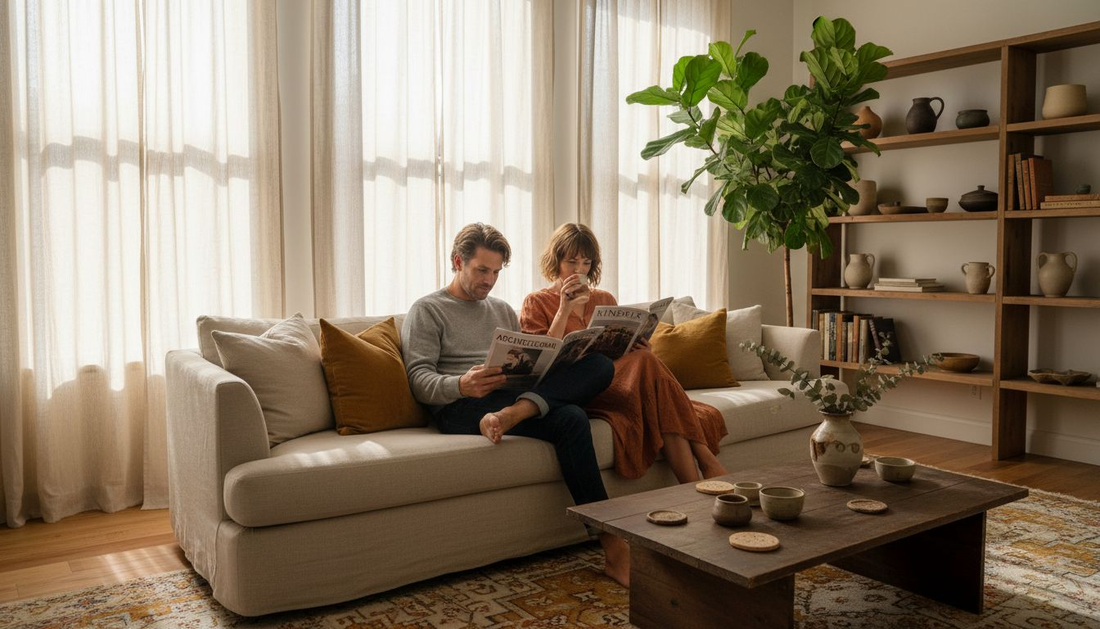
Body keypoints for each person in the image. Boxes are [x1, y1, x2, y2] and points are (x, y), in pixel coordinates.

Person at [401, 222, 630, 587]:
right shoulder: (428, 310)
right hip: (461, 407)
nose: (489, 280)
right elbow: (419, 381)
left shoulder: (502, 310)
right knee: (569, 415)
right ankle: (615, 544)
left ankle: (515, 414)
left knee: (596, 372)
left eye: (496, 272)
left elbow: (536, 361)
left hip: (507, 400)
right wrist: (462, 383)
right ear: (458, 262)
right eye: (481, 270)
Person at [520, 223, 729, 484]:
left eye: (586, 263)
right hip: (577, 388)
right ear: (556, 261)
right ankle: (706, 458)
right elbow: (540, 364)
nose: (578, 270)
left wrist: (640, 345)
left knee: (647, 363)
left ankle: (693, 488)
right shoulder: (536, 301)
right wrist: (564, 308)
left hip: (620, 382)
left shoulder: (604, 298)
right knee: (649, 369)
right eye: (571, 262)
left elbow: (619, 349)